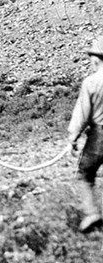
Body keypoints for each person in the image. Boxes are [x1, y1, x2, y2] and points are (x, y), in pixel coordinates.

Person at [69, 36, 103, 233]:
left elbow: (81, 113)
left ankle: (92, 213)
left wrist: (72, 137)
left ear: (97, 59)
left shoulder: (91, 82)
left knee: (84, 174)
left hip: (100, 135)